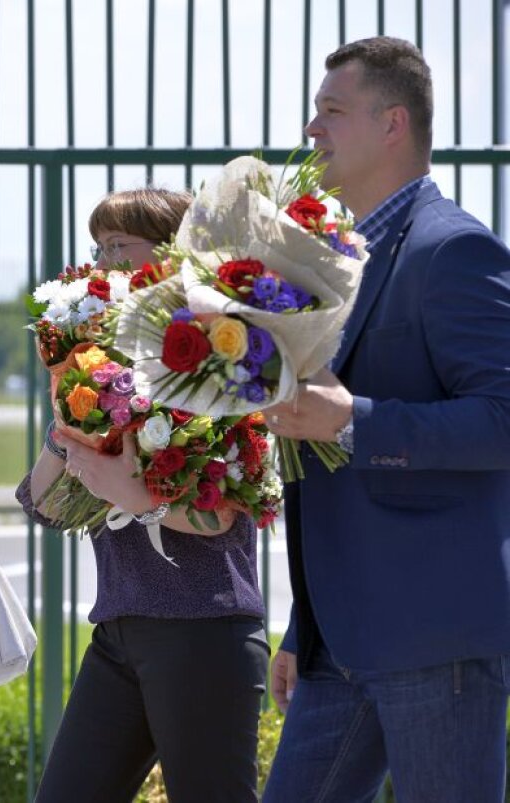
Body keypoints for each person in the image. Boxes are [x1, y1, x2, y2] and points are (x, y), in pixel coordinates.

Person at [261, 36, 510, 802]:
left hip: (437, 643)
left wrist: (352, 422)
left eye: (331, 111)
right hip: (339, 643)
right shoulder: (334, 262)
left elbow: (501, 419)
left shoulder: (455, 249)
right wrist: (306, 627)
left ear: (393, 123)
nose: (312, 130)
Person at [20, 188, 271, 803]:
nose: (102, 262)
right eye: (98, 245)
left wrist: (142, 499)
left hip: (202, 631)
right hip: (120, 630)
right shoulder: (101, 367)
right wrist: (67, 419)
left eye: (117, 246)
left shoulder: (216, 362)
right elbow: (44, 503)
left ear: (169, 255)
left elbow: (221, 519)